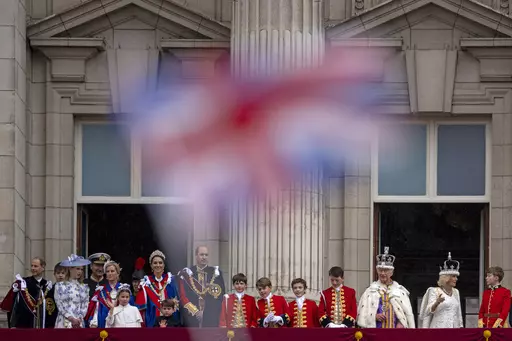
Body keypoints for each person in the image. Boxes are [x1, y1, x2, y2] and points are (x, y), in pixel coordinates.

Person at [357, 246, 415, 328]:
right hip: (376, 332)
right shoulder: (370, 291)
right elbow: (361, 314)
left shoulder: (400, 291)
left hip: (395, 333)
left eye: (386, 270)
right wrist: (374, 316)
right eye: (380, 270)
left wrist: (402, 322)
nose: (383, 273)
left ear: (391, 272)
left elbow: (406, 314)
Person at [178, 245, 225, 327]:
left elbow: (220, 296)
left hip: (211, 317)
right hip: (191, 317)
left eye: (206, 255)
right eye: (201, 254)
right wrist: (195, 311)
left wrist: (207, 313)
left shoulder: (216, 273)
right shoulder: (187, 273)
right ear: (196, 256)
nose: (204, 257)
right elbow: (183, 295)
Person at [0, 257, 52, 328]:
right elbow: (12, 302)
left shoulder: (47, 285)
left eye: (35, 266)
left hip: (42, 325)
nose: (33, 268)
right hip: (24, 325)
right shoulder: (23, 283)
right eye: (32, 266)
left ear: (43, 268)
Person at [135, 250, 180, 327]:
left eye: (160, 262)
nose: (158, 265)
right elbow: (141, 308)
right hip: (152, 322)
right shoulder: (146, 283)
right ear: (151, 265)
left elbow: (177, 302)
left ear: (164, 265)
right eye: (155, 263)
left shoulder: (171, 281)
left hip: (171, 322)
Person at [419, 252, 463, 328]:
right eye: (453, 276)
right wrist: (437, 302)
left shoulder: (456, 292)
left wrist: (461, 326)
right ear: (446, 278)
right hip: (439, 329)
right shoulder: (434, 291)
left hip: (454, 328)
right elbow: (427, 311)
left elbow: (458, 312)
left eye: (456, 277)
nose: (456, 279)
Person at [54, 255, 90, 328]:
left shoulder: (84, 287)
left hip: (79, 322)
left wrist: (79, 319)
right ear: (70, 269)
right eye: (77, 269)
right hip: (64, 321)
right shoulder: (60, 286)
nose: (80, 271)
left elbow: (85, 305)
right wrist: (71, 318)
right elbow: (59, 305)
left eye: (81, 269)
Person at [87, 260, 123, 328]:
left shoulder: (124, 289)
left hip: (121, 325)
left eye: (112, 271)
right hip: (104, 326)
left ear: (117, 273)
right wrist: (94, 322)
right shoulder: (100, 291)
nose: (110, 273)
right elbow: (96, 310)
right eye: (107, 271)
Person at [45, 263, 67, 328]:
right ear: (54, 274)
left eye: (63, 273)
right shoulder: (50, 290)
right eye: (58, 273)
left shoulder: (70, 289)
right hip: (53, 320)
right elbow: (49, 308)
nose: (60, 275)